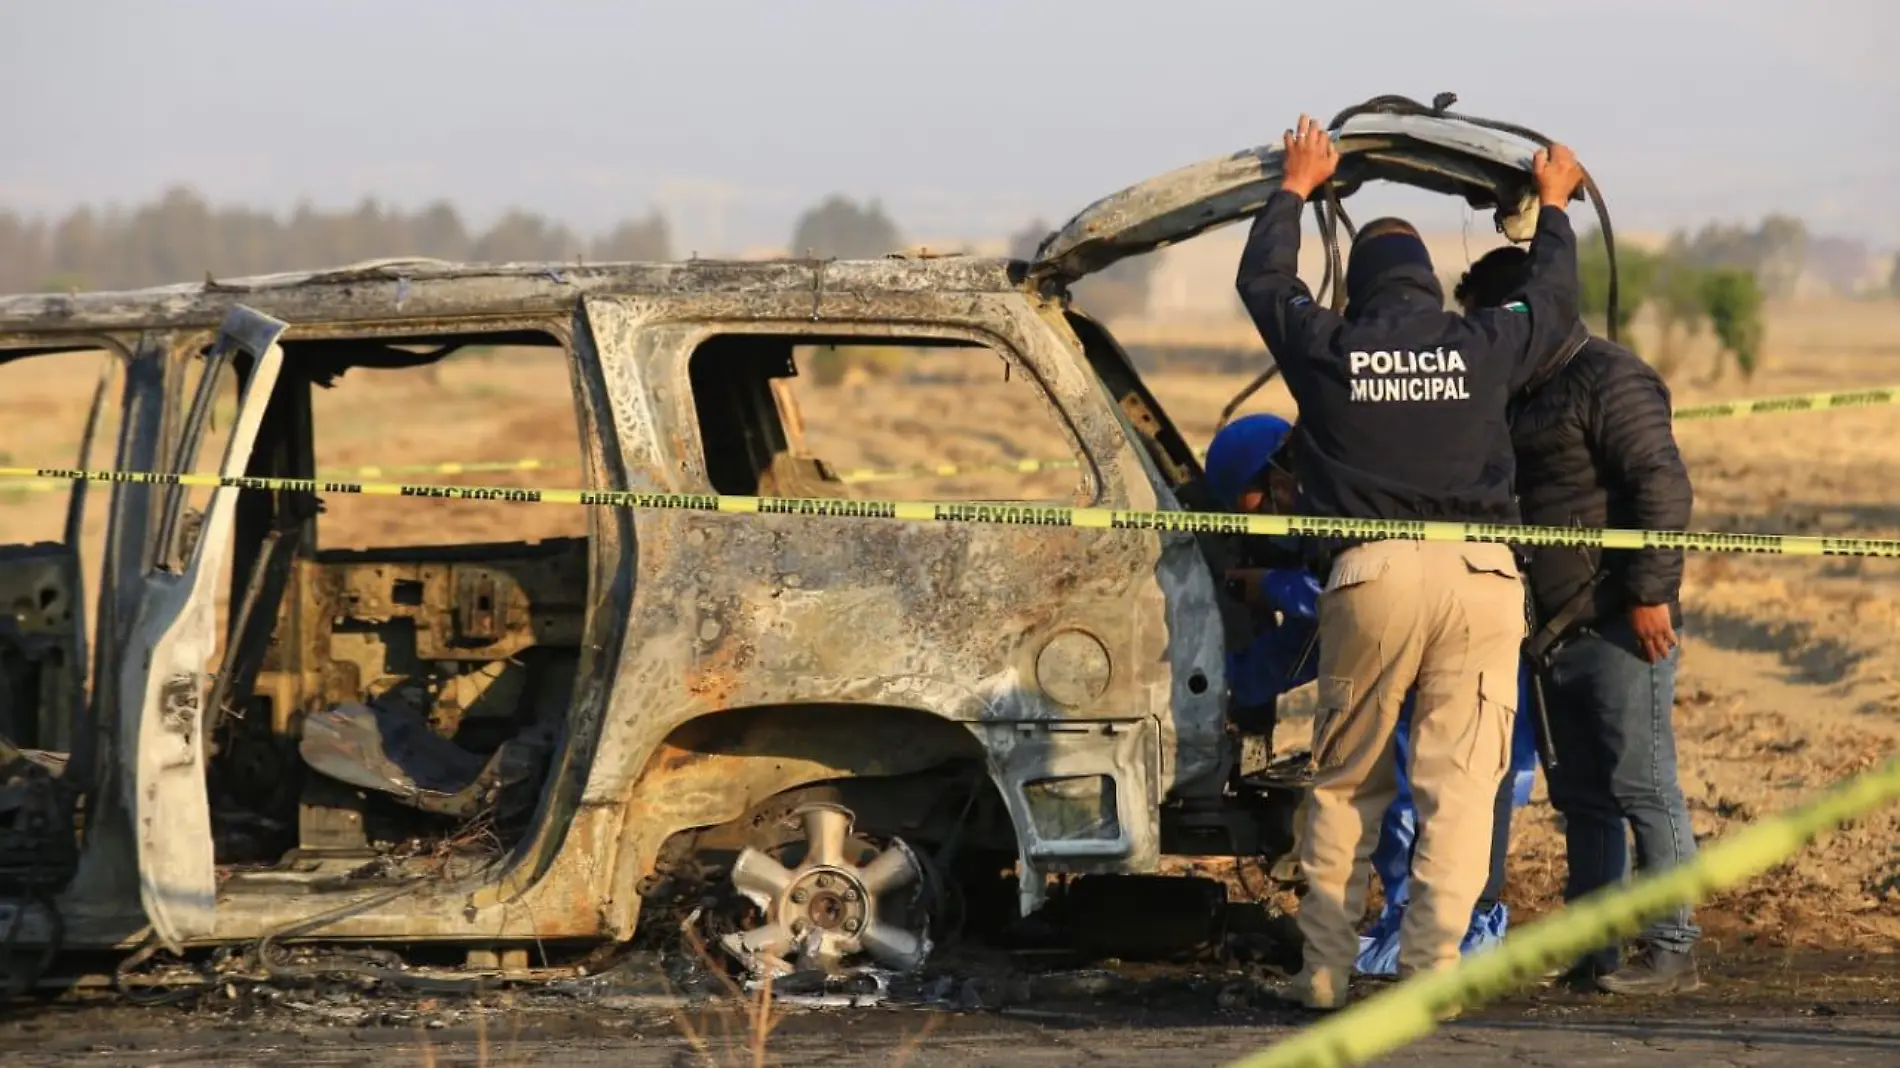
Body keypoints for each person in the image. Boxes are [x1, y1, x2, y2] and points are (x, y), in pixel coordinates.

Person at [1234, 113, 1585, 1009]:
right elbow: (1551, 303)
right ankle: (1431, 975)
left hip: (1373, 577)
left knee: (1348, 782)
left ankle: (1321, 974)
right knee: (1460, 792)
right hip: (1480, 582)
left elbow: (1263, 280)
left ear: (1359, 290)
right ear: (1430, 286)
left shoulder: (1332, 347)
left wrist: (1293, 189)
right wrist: (1551, 207)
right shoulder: (1480, 343)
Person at [1206, 414, 1540, 980]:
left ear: (1276, 476)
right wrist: (1239, 681)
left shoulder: (1340, 502)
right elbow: (1323, 638)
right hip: (1414, 680)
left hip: (1444, 681)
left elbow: (1341, 608)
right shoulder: (1333, 494)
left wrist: (1270, 589)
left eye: (1251, 503)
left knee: (1424, 806)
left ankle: (1447, 943)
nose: (1257, 520)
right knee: (1397, 804)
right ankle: (1411, 934)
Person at [1455, 245, 1702, 995]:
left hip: (1620, 623)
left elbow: (1662, 483)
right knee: (1584, 797)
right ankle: (1596, 950)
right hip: (1552, 632)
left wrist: (1651, 591)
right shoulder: (1521, 390)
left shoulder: (1611, 376)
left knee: (1642, 784)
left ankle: (1671, 948)